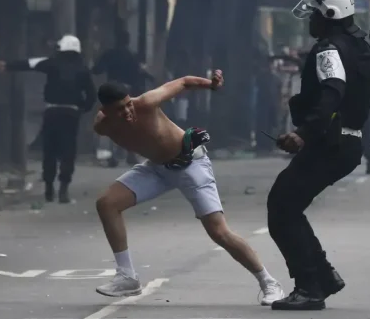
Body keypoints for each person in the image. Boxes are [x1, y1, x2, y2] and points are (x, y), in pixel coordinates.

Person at [91, 73, 285, 305]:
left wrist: (211, 85)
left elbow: (183, 82)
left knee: (219, 232)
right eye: (120, 109)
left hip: (190, 163)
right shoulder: (103, 126)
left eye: (128, 104)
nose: (128, 111)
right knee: (106, 203)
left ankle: (269, 282)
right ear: (106, 111)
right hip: (156, 169)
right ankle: (127, 277)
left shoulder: (147, 102)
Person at [267, 0, 370, 310]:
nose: (310, 19)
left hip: (329, 142)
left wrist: (303, 134)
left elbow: (333, 90)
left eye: (315, 13)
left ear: (329, 16)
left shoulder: (329, 49)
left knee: (282, 207)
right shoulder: (361, 45)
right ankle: (322, 276)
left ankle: (310, 286)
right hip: (347, 143)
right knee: (288, 205)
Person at [0, 34, 96, 203]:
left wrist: (7, 66)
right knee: (68, 151)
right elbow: (91, 96)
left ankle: (49, 188)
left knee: (49, 150)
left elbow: (30, 64)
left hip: (52, 113)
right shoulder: (83, 69)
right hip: (71, 114)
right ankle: (64, 190)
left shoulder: (51, 62)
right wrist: (82, 109)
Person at [92, 29, 153, 166]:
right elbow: (140, 74)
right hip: (126, 92)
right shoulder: (131, 56)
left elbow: (96, 70)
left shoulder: (109, 54)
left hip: (111, 90)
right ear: (127, 41)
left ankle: (111, 156)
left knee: (109, 120)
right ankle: (130, 154)